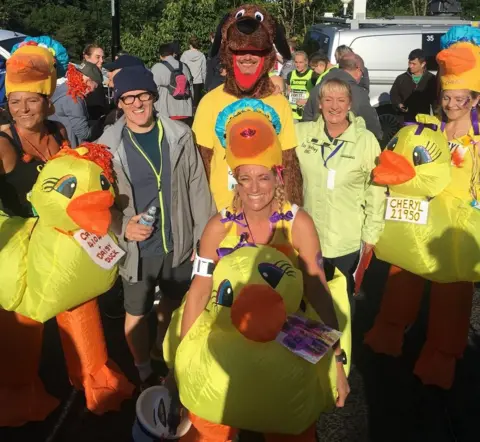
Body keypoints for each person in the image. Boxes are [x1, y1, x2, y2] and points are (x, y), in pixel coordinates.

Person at [179, 108, 350, 440]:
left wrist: (337, 360)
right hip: (224, 344)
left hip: (287, 347)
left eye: (264, 177)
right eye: (245, 178)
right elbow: (199, 293)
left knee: (290, 430)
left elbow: (316, 291)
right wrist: (183, 364)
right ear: (235, 180)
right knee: (208, 429)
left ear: (279, 177)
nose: (254, 188)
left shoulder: (297, 224)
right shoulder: (218, 228)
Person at [97, 65, 214, 386]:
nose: (137, 104)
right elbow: (96, 203)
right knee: (136, 314)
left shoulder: (180, 135)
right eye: (128, 98)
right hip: (138, 248)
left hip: (179, 241)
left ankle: (161, 350)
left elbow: (197, 187)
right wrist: (121, 226)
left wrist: (205, 238)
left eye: (143, 96)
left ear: (154, 96)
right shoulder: (106, 147)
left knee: (173, 304)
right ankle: (143, 369)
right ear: (118, 102)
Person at [194, 4, 303, 213]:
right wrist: (200, 223)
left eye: (256, 52)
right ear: (228, 53)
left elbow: (289, 164)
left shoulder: (278, 102)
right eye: (239, 51)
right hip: (221, 214)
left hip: (268, 215)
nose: (247, 57)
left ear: (268, 56)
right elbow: (199, 168)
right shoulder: (210, 102)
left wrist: (291, 216)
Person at [295, 78, 386, 310]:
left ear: (349, 104)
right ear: (319, 103)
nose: (334, 106)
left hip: (346, 241)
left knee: (341, 305)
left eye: (341, 100)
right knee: (306, 302)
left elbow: (376, 192)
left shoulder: (365, 141)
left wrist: (371, 235)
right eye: (328, 100)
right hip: (308, 237)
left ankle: (342, 347)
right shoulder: (301, 134)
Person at [0, 41, 67, 218]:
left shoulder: (58, 131)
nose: (23, 109)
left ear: (47, 103)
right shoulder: (3, 143)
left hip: (61, 233)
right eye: (15, 102)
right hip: (23, 240)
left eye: (32, 100)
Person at [302, 54, 383, 140]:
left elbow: (307, 120)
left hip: (317, 144)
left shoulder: (317, 88)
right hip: (348, 147)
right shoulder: (358, 93)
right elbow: (372, 127)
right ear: (358, 70)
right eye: (362, 74)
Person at [50, 62, 101, 147]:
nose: (93, 91)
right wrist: (102, 124)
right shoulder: (74, 98)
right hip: (70, 150)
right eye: (94, 87)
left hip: (57, 144)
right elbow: (84, 134)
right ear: (88, 80)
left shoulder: (63, 86)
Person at [390, 49, 437, 124]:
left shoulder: (431, 79)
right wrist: (399, 105)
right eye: (409, 63)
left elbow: (435, 100)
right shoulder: (401, 78)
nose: (410, 66)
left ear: (423, 64)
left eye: (414, 64)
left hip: (423, 121)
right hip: (404, 120)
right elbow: (394, 95)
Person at [151, 43, 194, 126]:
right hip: (186, 112)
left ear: (160, 56)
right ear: (173, 53)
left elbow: (151, 90)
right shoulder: (184, 66)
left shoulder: (157, 68)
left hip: (166, 113)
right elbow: (191, 89)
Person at [286, 51, 317, 121]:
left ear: (306, 62)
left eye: (300, 62)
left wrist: (306, 101)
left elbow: (317, 95)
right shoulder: (290, 74)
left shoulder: (313, 75)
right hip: (293, 114)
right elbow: (288, 91)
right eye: (296, 62)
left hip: (307, 114)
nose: (298, 65)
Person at [181, 37, 207, 110]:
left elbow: (181, 68)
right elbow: (204, 71)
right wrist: (204, 82)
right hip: (198, 81)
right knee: (197, 104)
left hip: (187, 81)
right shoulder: (201, 55)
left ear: (190, 45)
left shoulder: (184, 55)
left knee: (188, 102)